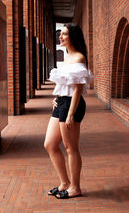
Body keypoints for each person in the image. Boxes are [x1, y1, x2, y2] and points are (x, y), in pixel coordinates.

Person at [44, 23, 93, 199]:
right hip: (61, 102)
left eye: (64, 34)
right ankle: (64, 182)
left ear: (72, 36)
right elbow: (64, 83)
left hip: (73, 104)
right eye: (61, 34)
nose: (61, 37)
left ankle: (75, 187)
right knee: (50, 144)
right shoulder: (66, 58)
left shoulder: (79, 57)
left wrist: (71, 113)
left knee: (70, 147)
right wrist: (56, 96)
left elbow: (78, 89)